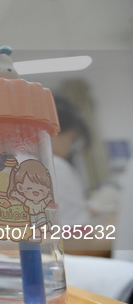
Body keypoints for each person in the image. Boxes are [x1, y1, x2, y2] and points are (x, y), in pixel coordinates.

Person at [51, 96, 95, 227]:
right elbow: (76, 239)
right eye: (70, 139)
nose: (70, 148)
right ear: (54, 133)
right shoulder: (55, 166)